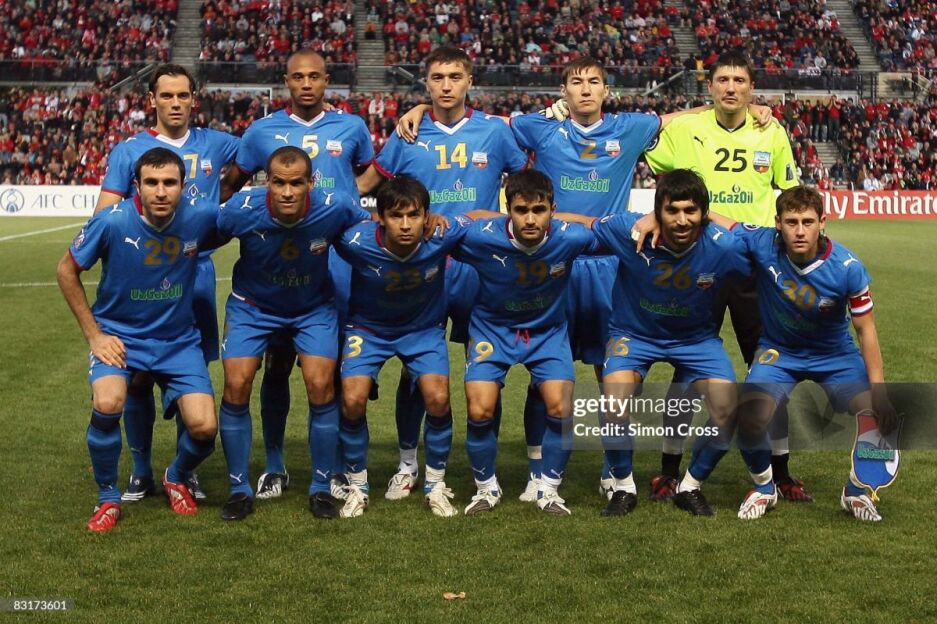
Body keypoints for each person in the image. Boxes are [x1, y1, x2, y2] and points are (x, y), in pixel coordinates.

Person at [398, 55, 775, 502]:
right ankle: (538, 468)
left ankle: (612, 471)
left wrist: (744, 106)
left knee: (608, 371)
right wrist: (422, 108)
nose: (585, 89)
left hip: (605, 263)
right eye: (576, 82)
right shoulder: (541, 127)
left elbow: (675, 116)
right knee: (542, 368)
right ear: (564, 91)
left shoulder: (629, 128)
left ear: (605, 90)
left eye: (594, 82)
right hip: (550, 260)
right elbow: (476, 119)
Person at [357, 46, 529, 501]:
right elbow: (365, 186)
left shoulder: (495, 131)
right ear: (426, 83)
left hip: (480, 269)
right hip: (421, 269)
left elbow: (527, 183)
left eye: (455, 76)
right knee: (415, 371)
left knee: (486, 370)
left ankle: (484, 471)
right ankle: (407, 464)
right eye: (437, 77)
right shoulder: (408, 133)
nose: (446, 85)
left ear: (470, 81)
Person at [643, 50, 804, 502]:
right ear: (709, 86)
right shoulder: (685, 130)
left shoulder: (771, 131)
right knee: (685, 369)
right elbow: (642, 144)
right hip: (699, 265)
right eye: (722, 80)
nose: (731, 87)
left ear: (752, 88)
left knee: (771, 368)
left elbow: (790, 195)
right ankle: (668, 471)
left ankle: (781, 473)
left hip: (756, 267)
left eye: (739, 80)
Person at [220, 49, 374, 501]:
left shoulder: (352, 127)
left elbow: (373, 174)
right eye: (298, 77)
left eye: (314, 76)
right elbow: (231, 185)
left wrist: (343, 200)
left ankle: (338, 469)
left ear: (327, 80)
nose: (306, 84)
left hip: (332, 262)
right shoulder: (260, 131)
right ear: (285, 81)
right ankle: (274, 465)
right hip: (273, 266)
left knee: (331, 374)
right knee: (276, 366)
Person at [564, 169, 757, 517]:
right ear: (658, 211)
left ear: (704, 213)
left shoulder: (724, 246)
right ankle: (623, 487)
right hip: (634, 335)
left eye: (691, 211)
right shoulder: (629, 230)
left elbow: (768, 245)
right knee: (614, 399)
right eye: (672, 211)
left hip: (695, 340)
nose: (682, 220)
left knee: (728, 408)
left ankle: (690, 486)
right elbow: (585, 222)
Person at [706, 186, 897, 521]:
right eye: (791, 222)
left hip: (835, 354)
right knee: (750, 413)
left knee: (875, 418)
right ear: (777, 223)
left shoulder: (848, 267)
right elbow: (723, 221)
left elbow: (866, 329)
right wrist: (661, 215)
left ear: (822, 223)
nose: (799, 230)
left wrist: (879, 391)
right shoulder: (763, 242)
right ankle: (765, 488)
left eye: (808, 222)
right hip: (779, 352)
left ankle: (856, 492)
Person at [95, 63, 240, 503]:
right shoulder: (129, 151)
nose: (175, 103)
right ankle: (141, 471)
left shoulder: (218, 143)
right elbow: (104, 215)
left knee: (189, 372)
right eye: (166, 95)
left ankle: (185, 471)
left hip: (196, 274)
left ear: (194, 99)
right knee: (136, 378)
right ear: (152, 100)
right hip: (147, 272)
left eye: (182, 95)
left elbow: (266, 152)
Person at [57, 148, 221, 532]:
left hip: (178, 340)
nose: (161, 192)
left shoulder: (201, 216)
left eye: (170, 183)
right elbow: (66, 270)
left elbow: (248, 221)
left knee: (204, 429)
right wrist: (95, 335)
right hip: (121, 337)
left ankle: (175, 475)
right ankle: (107, 497)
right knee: (108, 401)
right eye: (152, 183)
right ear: (137, 185)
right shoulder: (111, 221)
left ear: (183, 186)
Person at [334, 176, 489, 518]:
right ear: (380, 217)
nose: (405, 225)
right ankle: (357, 486)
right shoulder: (355, 241)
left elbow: (478, 216)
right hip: (368, 330)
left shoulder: (441, 235)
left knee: (438, 397)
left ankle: (435, 485)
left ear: (426, 216)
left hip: (423, 330)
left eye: (414, 215)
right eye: (396, 216)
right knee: (352, 399)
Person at [453, 170, 601, 516]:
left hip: (546, 332)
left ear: (553, 210)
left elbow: (615, 233)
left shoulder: (571, 237)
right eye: (521, 210)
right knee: (480, 409)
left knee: (561, 407)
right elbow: (442, 231)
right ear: (508, 210)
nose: (530, 219)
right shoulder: (480, 237)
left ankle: (548, 489)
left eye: (539, 210)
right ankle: (486, 488)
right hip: (493, 331)